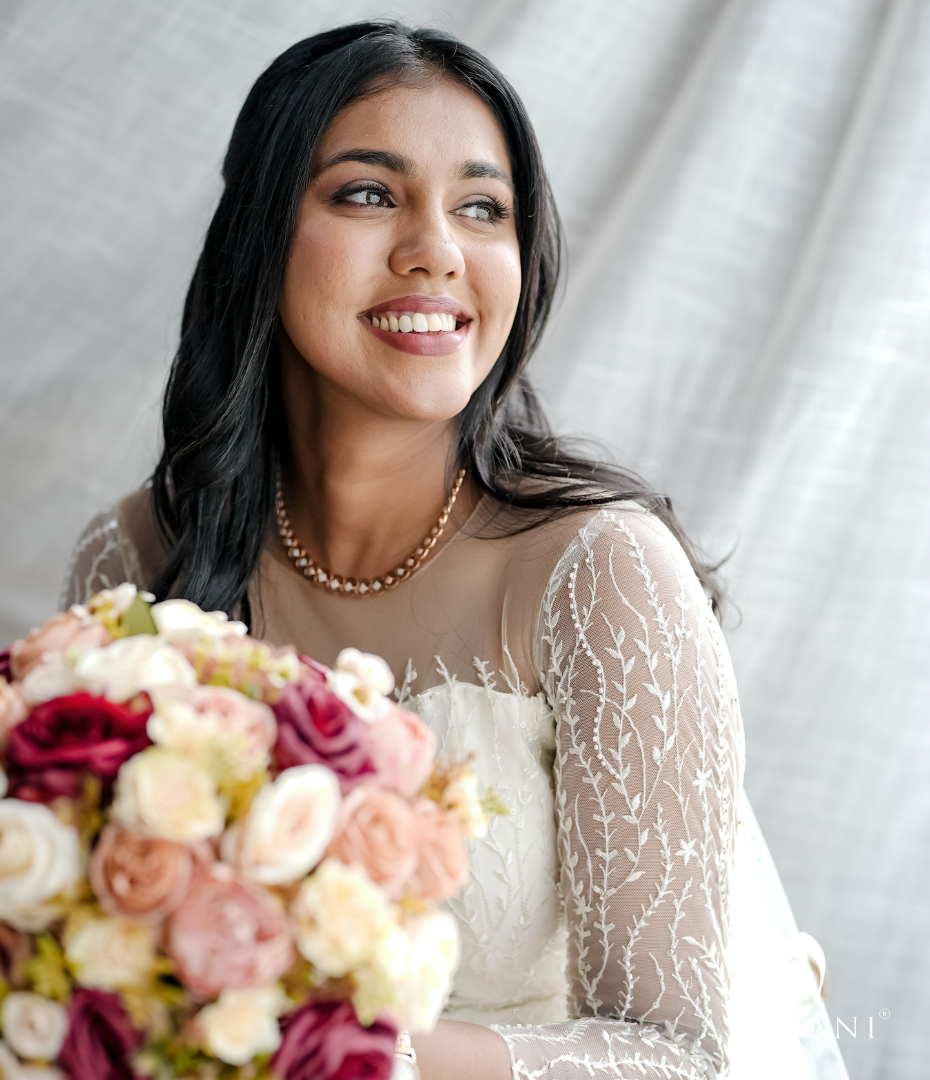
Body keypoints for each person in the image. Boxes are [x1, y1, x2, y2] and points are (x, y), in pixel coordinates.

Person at [62, 22, 835, 1080]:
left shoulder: (599, 576)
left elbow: (677, 1057)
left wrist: (336, 1057)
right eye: (369, 194)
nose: (438, 249)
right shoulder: (135, 558)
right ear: (261, 232)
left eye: (483, 209)